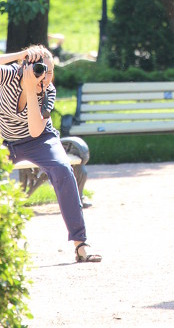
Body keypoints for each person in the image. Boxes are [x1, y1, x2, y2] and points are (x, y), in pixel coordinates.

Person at [0, 44, 101, 263]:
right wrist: (19, 56)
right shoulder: (8, 75)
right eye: (40, 70)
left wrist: (30, 89)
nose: (45, 77)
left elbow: (36, 130)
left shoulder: (48, 92)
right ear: (25, 68)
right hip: (5, 142)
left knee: (63, 169)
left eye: (50, 71)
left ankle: (80, 244)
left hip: (40, 140)